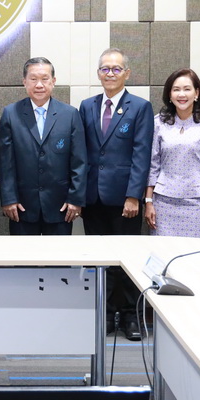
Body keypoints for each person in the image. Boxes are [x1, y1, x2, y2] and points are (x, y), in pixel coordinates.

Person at [80, 49, 153, 340]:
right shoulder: (87, 106)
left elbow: (142, 154)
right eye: (105, 69)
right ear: (98, 73)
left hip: (125, 199)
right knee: (100, 259)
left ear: (127, 74)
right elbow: (82, 152)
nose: (110, 73)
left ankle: (131, 316)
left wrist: (134, 196)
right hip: (93, 197)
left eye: (116, 69)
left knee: (128, 259)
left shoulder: (140, 107)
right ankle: (108, 313)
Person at [0, 57, 86, 235]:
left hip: (60, 205)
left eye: (45, 79)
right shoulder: (10, 114)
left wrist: (75, 199)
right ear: (24, 81)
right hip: (21, 206)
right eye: (33, 79)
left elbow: (79, 161)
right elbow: (5, 162)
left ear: (53, 81)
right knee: (23, 253)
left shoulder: (70, 114)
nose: (39, 85)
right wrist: (9, 199)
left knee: (59, 253)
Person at [145, 67, 200, 240]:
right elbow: (153, 166)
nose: (182, 94)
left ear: (197, 93)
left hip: (198, 204)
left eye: (187, 89)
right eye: (176, 89)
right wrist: (149, 202)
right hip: (163, 204)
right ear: (169, 94)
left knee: (196, 253)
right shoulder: (159, 122)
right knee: (164, 252)